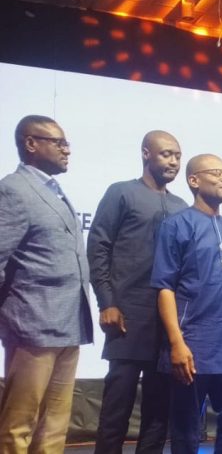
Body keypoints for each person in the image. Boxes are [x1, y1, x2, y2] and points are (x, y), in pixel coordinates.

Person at [151, 154, 222, 454]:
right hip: (193, 345)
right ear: (194, 181)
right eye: (217, 172)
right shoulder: (176, 225)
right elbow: (164, 287)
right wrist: (176, 343)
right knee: (186, 433)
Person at [88, 130, 188, 453]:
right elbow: (98, 247)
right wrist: (107, 301)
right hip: (127, 317)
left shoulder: (181, 205)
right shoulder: (122, 192)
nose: (173, 161)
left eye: (177, 156)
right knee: (116, 408)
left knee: (159, 412)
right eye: (166, 154)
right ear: (146, 153)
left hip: (167, 323)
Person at [0, 115, 93, 452]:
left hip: (67, 324)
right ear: (31, 144)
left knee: (55, 426)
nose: (67, 150)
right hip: (32, 326)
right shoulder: (13, 189)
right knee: (18, 425)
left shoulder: (52, 189)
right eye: (59, 143)